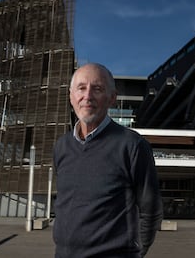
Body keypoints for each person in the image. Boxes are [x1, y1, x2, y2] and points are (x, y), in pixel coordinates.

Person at [53, 63, 163, 257]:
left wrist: (136, 252)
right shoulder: (61, 146)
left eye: (97, 89)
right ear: (71, 97)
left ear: (112, 98)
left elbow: (151, 210)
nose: (87, 96)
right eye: (81, 88)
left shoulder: (133, 145)